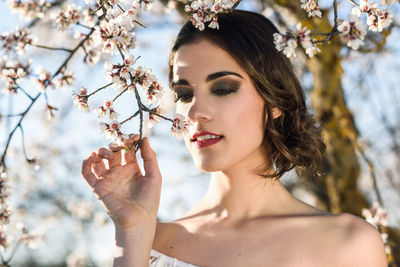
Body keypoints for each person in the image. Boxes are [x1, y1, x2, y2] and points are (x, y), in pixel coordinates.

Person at [81, 9, 388, 267]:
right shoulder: (151, 243)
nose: (195, 112)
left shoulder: (348, 244)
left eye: (223, 88)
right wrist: (132, 230)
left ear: (274, 100)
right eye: (184, 95)